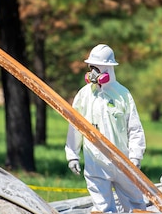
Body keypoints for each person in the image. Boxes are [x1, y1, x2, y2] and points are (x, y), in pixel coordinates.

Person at [65, 44, 147, 213]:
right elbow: (74, 126)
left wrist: (135, 156)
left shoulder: (122, 95)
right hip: (95, 162)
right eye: (91, 67)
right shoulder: (84, 95)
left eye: (97, 68)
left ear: (108, 68)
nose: (93, 72)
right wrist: (72, 155)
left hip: (123, 161)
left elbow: (135, 128)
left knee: (136, 205)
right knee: (103, 209)